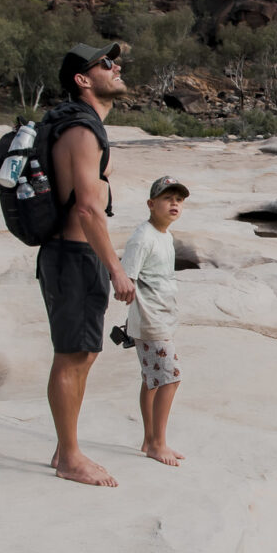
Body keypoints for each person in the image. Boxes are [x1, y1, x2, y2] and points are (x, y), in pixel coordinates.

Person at [40, 42, 137, 487]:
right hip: (74, 256)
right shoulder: (80, 129)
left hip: (79, 256)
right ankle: (70, 459)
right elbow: (86, 209)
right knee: (71, 356)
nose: (116, 68)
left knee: (85, 352)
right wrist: (115, 267)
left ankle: (66, 445)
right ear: (83, 79)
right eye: (106, 64)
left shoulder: (86, 127)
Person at [120, 175, 188, 466]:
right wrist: (140, 313)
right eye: (167, 198)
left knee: (152, 380)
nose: (174, 204)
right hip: (151, 323)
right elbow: (125, 280)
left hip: (160, 319)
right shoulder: (142, 237)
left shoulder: (165, 235)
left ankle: (149, 440)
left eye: (179, 200)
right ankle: (158, 443)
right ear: (151, 204)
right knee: (171, 378)